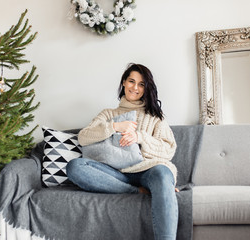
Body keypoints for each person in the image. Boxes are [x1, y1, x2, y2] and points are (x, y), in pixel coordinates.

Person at [66, 63, 178, 240]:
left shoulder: (155, 116)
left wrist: (139, 137)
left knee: (163, 174)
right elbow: (83, 137)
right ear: (124, 83)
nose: (135, 87)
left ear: (146, 88)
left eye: (141, 84)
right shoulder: (108, 113)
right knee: (74, 166)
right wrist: (114, 126)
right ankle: (136, 191)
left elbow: (169, 149)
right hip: (115, 173)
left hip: (148, 170)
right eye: (131, 81)